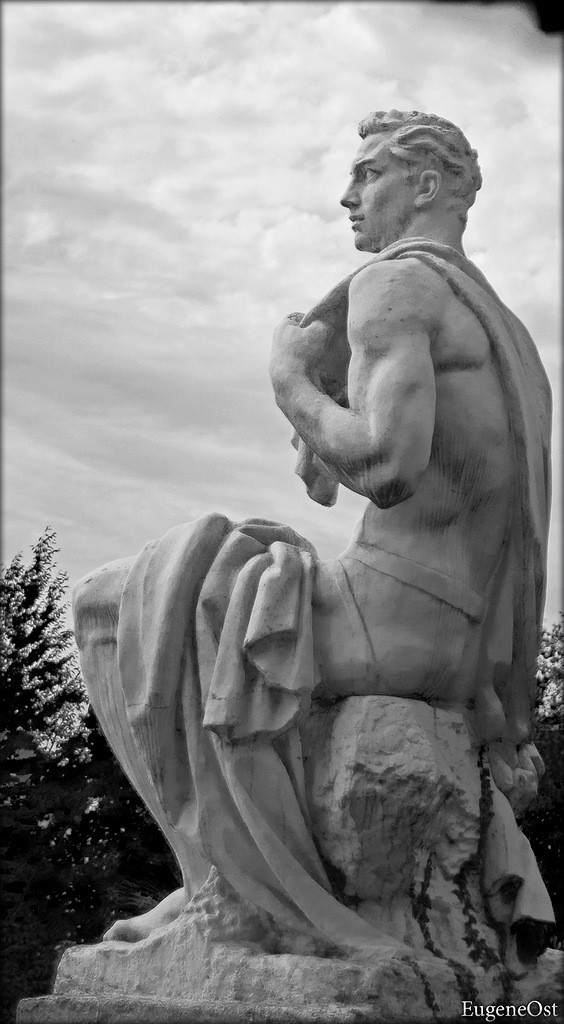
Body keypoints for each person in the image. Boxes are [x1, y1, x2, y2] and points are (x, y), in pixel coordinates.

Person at [73, 110, 553, 957]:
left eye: (368, 173)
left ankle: (228, 889)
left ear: (427, 185)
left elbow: (387, 462)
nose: (347, 195)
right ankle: (243, 874)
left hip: (387, 621)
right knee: (230, 568)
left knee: (107, 604)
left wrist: (290, 379)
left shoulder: (396, 286)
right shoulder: (504, 329)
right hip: (461, 645)